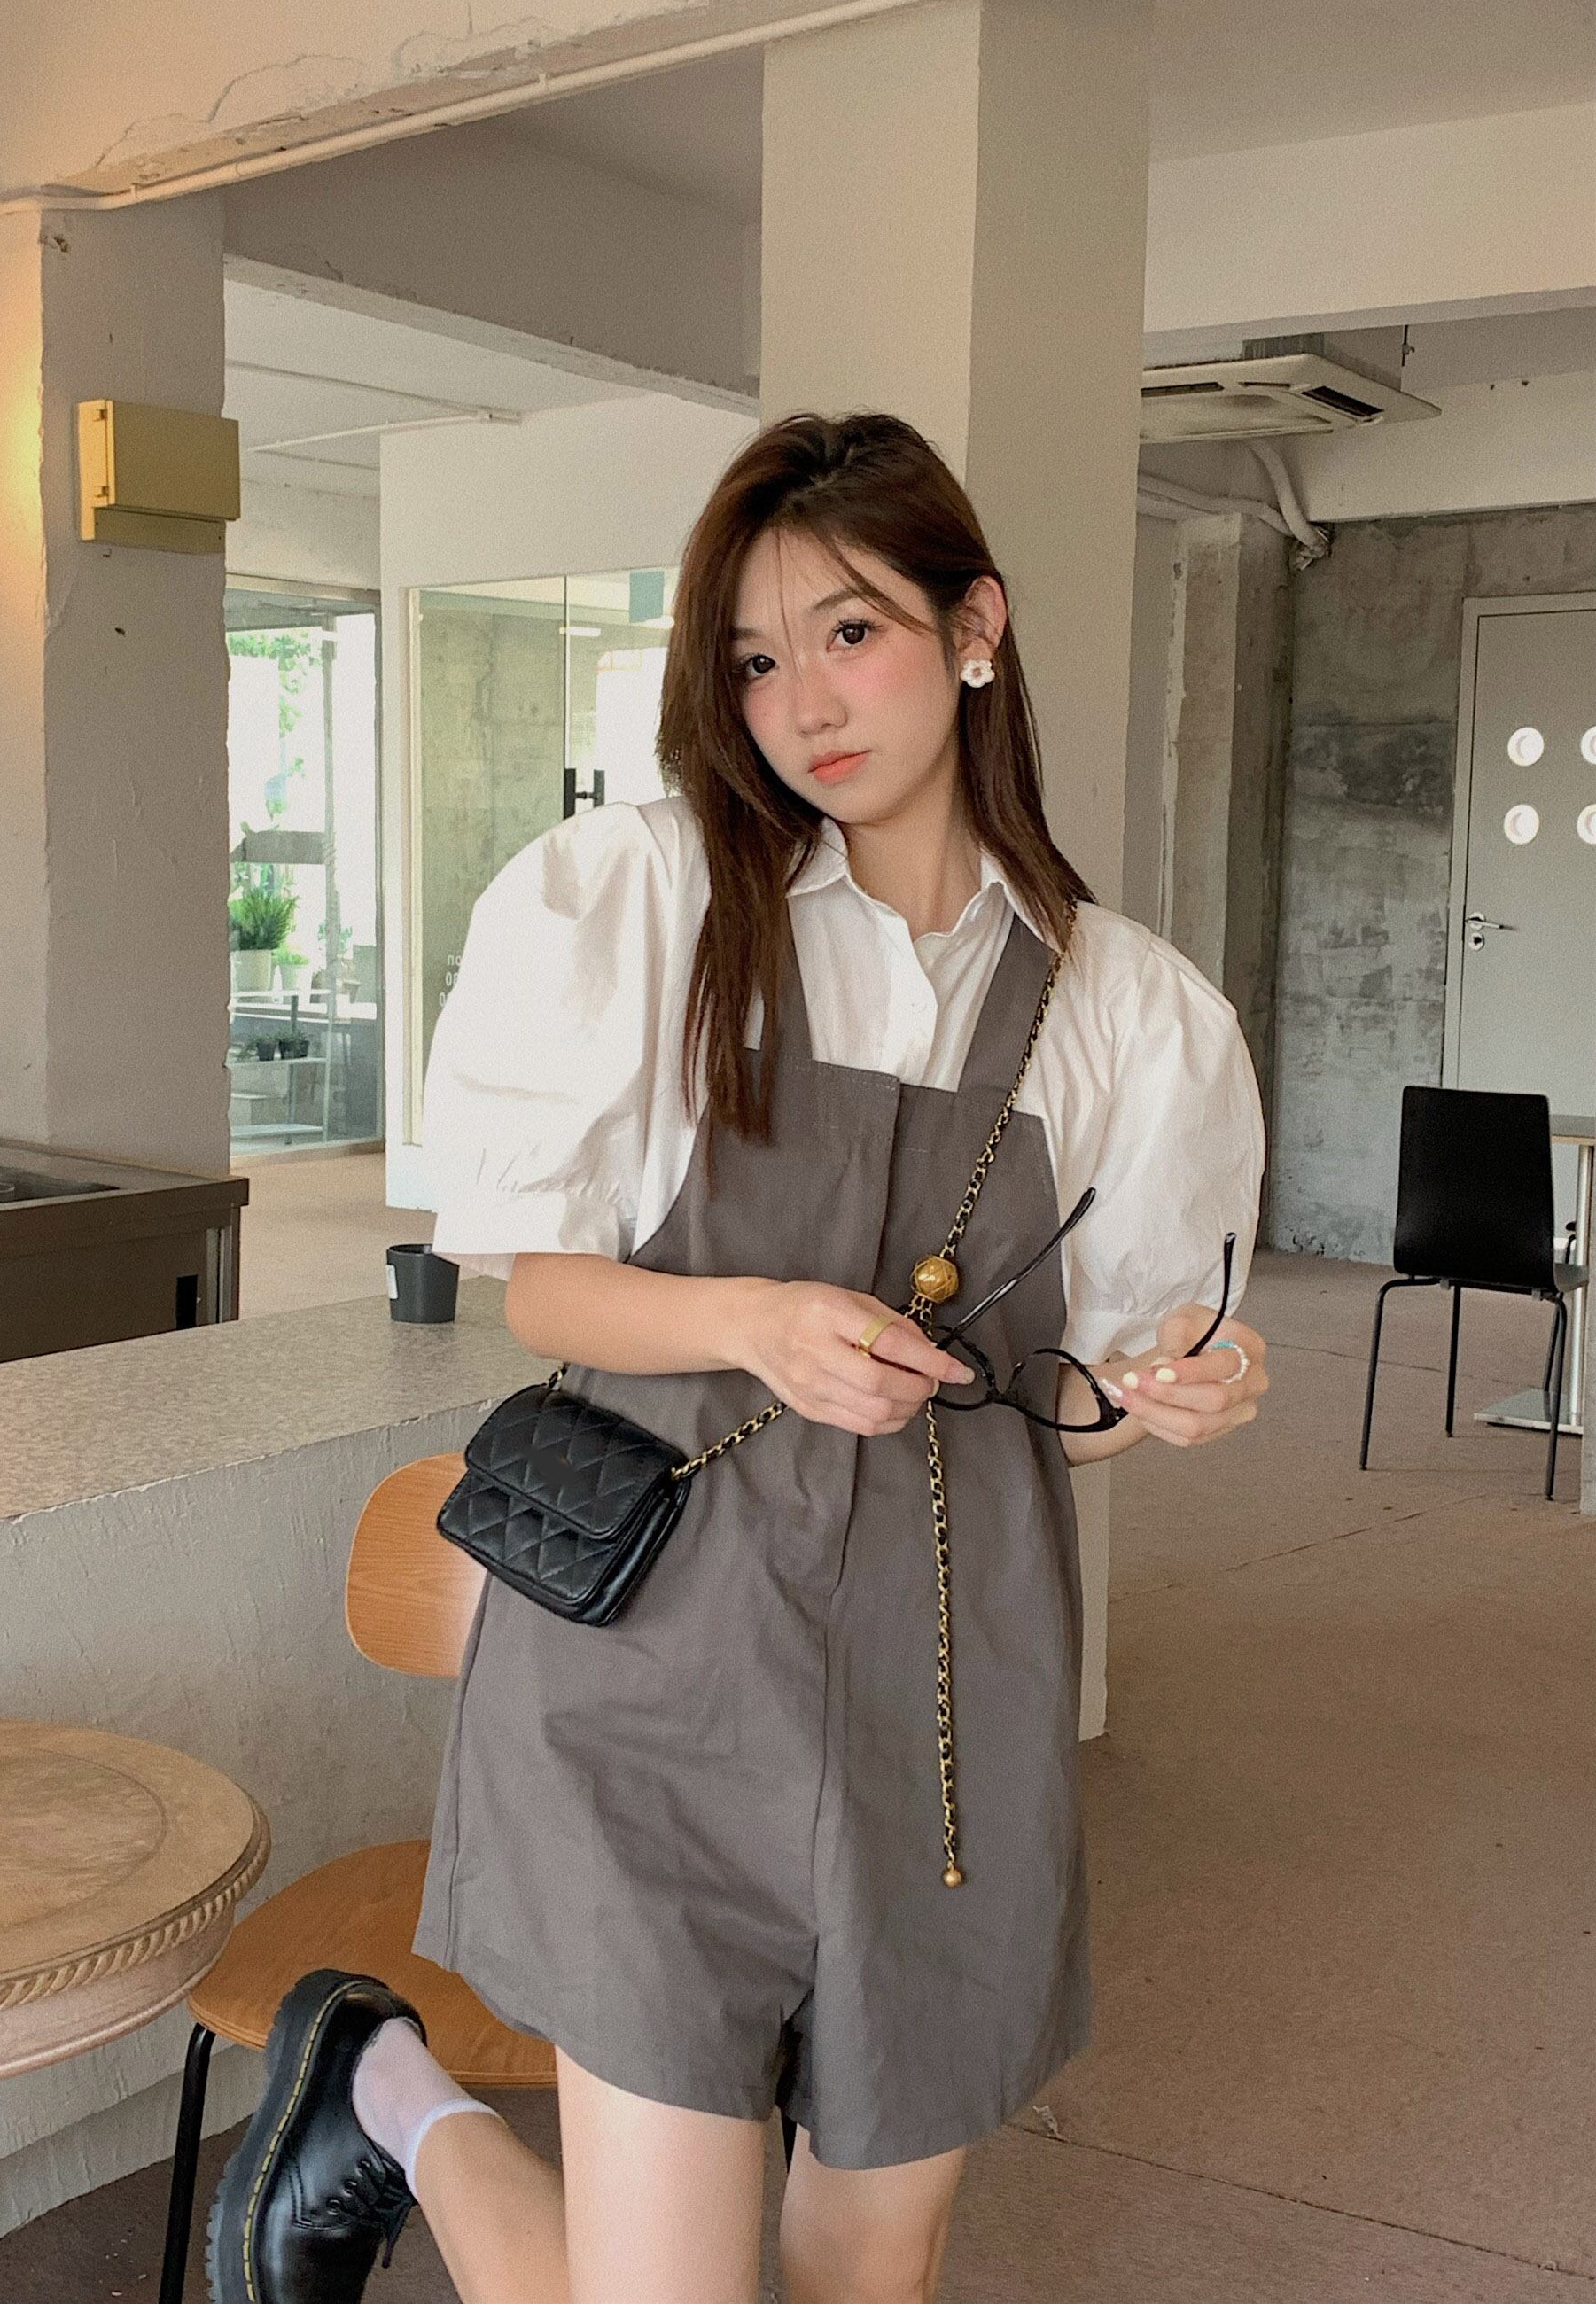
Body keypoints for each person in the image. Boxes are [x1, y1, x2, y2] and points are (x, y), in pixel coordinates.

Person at [206, 411, 1270, 2304]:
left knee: (867, 2265)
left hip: (950, 1698)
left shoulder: (1125, 1009)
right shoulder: (645, 903)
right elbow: (541, 1292)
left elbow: (1061, 1403)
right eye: (759, 659)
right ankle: (405, 2099)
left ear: (974, 628)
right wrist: (752, 1323)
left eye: (851, 633)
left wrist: (1166, 1393)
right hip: (658, 1675)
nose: (804, 705)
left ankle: (374, 2085)